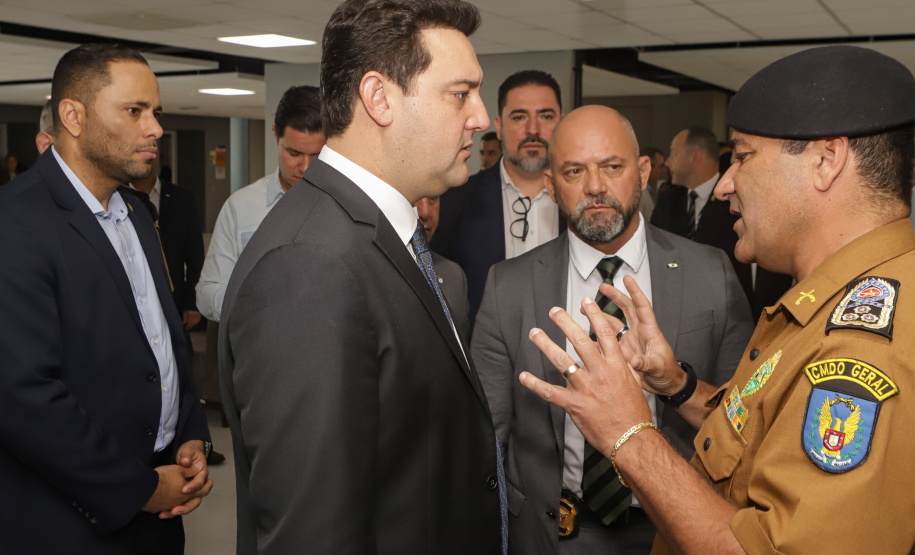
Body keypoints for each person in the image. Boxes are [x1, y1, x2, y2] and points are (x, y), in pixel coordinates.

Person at [518, 45, 915, 554]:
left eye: (743, 157)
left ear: (826, 161)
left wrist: (628, 432)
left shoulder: (865, 345)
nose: (725, 184)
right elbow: (757, 432)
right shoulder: (826, 305)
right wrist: (676, 384)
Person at [219, 1, 505, 553]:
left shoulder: (373, 236)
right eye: (460, 93)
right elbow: (312, 534)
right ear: (379, 98)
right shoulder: (308, 266)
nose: (482, 117)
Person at [473, 105, 753, 555]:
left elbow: (746, 416)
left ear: (643, 172)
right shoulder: (508, 286)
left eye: (612, 167)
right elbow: (488, 435)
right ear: (550, 184)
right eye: (574, 171)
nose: (596, 187)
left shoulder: (710, 273)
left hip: (680, 531)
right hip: (555, 535)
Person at [0, 43, 212, 554]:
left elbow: (164, 345)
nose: (156, 128)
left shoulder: (136, 211)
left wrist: (190, 433)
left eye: (155, 112)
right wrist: (137, 490)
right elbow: (23, 397)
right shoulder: (16, 222)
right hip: (67, 523)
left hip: (160, 513)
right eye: (134, 110)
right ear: (73, 116)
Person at [433, 70, 565, 326]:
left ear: (562, 122)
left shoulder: (583, 202)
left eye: (546, 116)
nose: (533, 130)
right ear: (500, 126)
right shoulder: (455, 201)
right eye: (519, 117)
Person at [196, 85, 325, 322]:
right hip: (257, 347)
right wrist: (259, 303)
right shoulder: (240, 207)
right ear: (276, 135)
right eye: (294, 153)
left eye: (316, 155)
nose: (306, 167)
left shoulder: (347, 205)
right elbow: (207, 294)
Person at [417, 194, 471, 339]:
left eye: (433, 198)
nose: (426, 212)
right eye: (415, 199)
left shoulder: (453, 275)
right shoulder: (368, 268)